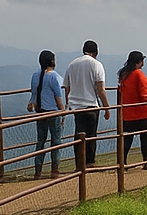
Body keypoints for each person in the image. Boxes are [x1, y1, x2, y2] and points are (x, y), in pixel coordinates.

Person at [66, 40, 110, 166]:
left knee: (79, 136)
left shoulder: (72, 64)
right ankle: (90, 163)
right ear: (96, 52)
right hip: (91, 105)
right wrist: (107, 107)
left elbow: (67, 87)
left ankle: (79, 163)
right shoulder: (97, 65)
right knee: (91, 135)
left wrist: (68, 103)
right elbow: (101, 89)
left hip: (76, 107)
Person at [27, 49, 64, 178]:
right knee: (56, 140)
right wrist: (63, 111)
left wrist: (31, 103)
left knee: (41, 141)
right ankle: (54, 170)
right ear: (52, 61)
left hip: (40, 112)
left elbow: (34, 93)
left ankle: (38, 171)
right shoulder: (54, 76)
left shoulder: (35, 75)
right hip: (52, 112)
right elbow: (58, 97)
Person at [117, 50, 147, 167]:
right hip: (141, 112)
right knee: (144, 137)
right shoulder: (139, 75)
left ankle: (123, 162)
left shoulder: (124, 75)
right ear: (139, 62)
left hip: (127, 112)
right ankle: (146, 162)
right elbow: (143, 94)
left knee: (127, 138)